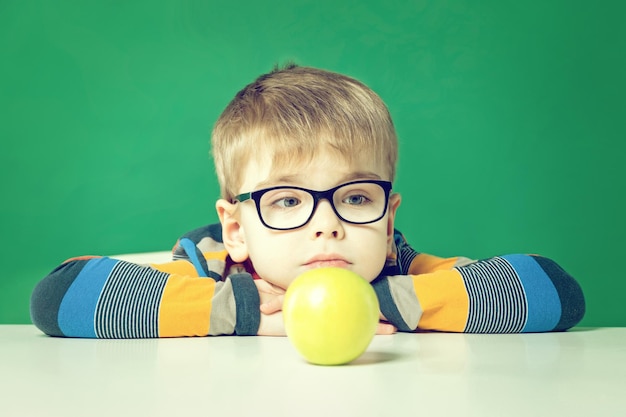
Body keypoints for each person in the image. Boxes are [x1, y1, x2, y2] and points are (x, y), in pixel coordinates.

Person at [30, 64, 585, 338]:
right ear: (238, 227)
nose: (328, 226)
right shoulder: (211, 266)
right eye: (289, 201)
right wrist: (233, 312)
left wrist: (384, 304)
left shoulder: (397, 268)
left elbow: (555, 290)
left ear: (388, 221)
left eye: (356, 196)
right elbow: (56, 296)